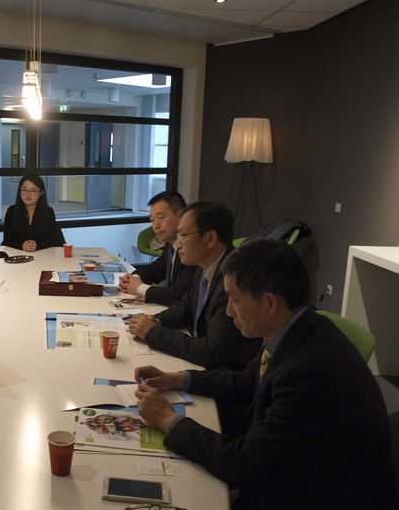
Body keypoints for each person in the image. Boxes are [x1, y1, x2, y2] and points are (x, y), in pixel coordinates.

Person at [134, 239, 396, 509]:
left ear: (269, 303)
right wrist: (178, 378)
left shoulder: (310, 371)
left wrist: (168, 419)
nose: (228, 311)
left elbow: (246, 465)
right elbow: (246, 381)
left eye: (235, 300)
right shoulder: (293, 327)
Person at [128, 201, 260, 370]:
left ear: (210, 238)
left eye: (183, 235)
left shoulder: (233, 279)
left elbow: (211, 352)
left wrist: (152, 332)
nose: (179, 243)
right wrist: (157, 320)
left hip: (225, 374)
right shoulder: (206, 265)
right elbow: (188, 304)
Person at [119, 191, 197, 306]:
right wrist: (132, 279)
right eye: (152, 220)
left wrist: (139, 287)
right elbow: (156, 269)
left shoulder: (193, 251)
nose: (155, 225)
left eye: (160, 217)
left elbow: (176, 296)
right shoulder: (172, 244)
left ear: (181, 215)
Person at [2, 175, 65, 252]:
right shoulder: (12, 211)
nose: (28, 194)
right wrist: (22, 245)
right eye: (24, 190)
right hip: (17, 255)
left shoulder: (48, 212)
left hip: (42, 256)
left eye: (33, 191)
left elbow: (53, 239)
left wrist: (37, 245)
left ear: (41, 193)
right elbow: (7, 240)